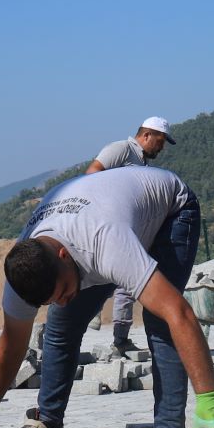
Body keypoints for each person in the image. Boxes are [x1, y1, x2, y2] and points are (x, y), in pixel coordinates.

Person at [0, 164, 214, 428]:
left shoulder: (104, 244)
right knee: (60, 326)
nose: (62, 299)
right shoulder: (26, 270)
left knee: (160, 322)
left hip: (168, 212)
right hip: (108, 216)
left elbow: (181, 314)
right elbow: (11, 345)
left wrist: (210, 400)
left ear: (65, 255)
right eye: (51, 297)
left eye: (63, 290)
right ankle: (49, 422)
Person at [83, 116, 176, 354]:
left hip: (130, 232)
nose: (161, 147)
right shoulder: (121, 150)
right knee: (97, 281)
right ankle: (72, 331)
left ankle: (120, 340)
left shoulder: (141, 163)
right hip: (108, 229)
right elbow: (92, 174)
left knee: (127, 286)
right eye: (160, 141)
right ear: (146, 136)